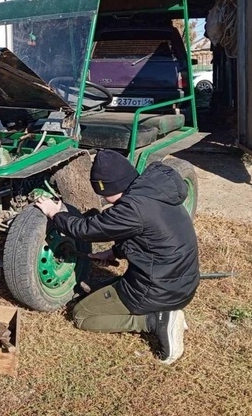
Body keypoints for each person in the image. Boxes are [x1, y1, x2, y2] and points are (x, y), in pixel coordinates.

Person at [35, 149, 199, 364]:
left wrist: (54, 213)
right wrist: (114, 252)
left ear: (111, 186)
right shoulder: (153, 190)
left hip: (159, 290)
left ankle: (154, 320)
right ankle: (164, 311)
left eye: (102, 192)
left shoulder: (132, 209)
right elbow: (151, 237)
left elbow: (86, 229)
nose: (103, 198)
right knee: (96, 292)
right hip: (180, 282)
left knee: (82, 314)